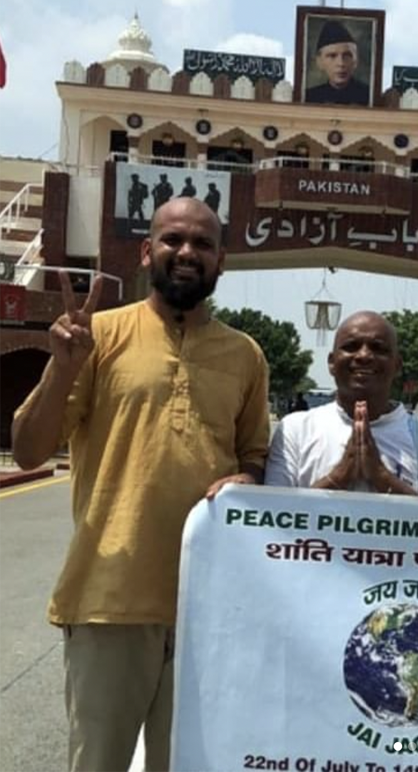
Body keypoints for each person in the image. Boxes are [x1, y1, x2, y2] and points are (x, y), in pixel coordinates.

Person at [12, 197, 271, 772]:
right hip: (109, 600)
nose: (187, 253)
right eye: (174, 240)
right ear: (146, 251)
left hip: (208, 609)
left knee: (186, 765)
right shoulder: (97, 335)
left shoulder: (245, 355)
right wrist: (62, 364)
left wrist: (247, 476)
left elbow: (254, 455)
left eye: (203, 244)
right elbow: (29, 448)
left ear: (221, 261)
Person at [265, 311, 418, 498]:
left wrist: (381, 476)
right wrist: (339, 476)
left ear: (397, 366)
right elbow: (272, 514)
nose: (364, 356)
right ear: (332, 363)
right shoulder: (296, 430)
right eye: (351, 346)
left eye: (378, 348)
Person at [305, 20, 370, 106]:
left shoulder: (369, 96)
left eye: (347, 55)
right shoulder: (309, 97)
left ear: (356, 60)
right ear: (319, 61)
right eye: (332, 56)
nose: (341, 63)